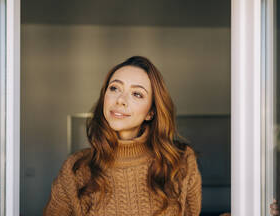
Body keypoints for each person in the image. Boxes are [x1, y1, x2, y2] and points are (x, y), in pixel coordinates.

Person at [43, 56, 202, 216]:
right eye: (114, 88)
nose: (120, 100)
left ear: (150, 113)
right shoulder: (75, 169)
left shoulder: (181, 162)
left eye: (137, 94)